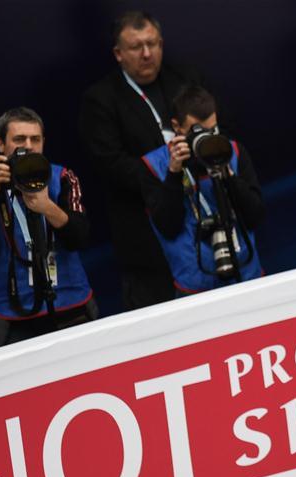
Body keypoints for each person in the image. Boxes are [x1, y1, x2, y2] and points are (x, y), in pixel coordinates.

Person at [79, 11, 205, 309]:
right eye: (136, 47)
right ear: (118, 53)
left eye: (153, 44)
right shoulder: (99, 100)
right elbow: (110, 165)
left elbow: (219, 129)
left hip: (203, 219)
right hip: (146, 238)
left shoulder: (186, 78)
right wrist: (169, 168)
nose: (147, 54)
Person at [0, 108, 96, 349]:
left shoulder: (61, 177)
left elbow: (81, 239)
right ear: (1, 144)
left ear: (43, 143)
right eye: (19, 139)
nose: (28, 146)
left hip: (67, 303)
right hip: (9, 315)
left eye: (35, 139)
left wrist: (48, 207)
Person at [140, 86, 264, 294]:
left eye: (213, 130)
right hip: (196, 288)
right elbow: (168, 227)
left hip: (247, 276)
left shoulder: (232, 151)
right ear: (176, 127)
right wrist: (174, 174)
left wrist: (226, 172)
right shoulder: (154, 166)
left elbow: (256, 216)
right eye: (198, 131)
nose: (208, 138)